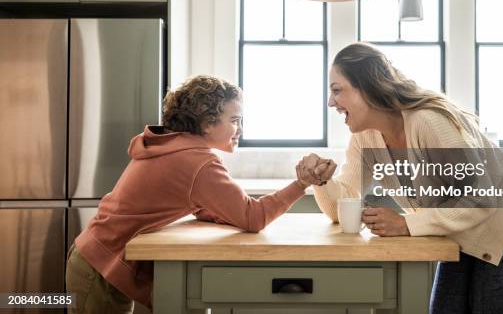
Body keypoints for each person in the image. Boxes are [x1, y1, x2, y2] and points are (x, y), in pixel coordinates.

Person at [297, 43, 503, 314]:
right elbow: (343, 208)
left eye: (337, 90)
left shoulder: (427, 122)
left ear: (367, 87)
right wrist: (322, 181)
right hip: (460, 232)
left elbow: (483, 197)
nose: (330, 102)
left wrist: (406, 224)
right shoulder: (365, 137)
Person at [66, 75, 325, 313]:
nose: (241, 129)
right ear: (207, 123)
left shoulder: (169, 145)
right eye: (234, 121)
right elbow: (253, 217)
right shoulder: (198, 162)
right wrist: (301, 184)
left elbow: (195, 203)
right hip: (99, 272)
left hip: (93, 257)